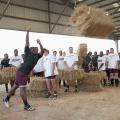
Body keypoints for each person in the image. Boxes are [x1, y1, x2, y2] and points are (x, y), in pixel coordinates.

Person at [3, 30, 44, 111]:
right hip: (22, 73)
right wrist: (28, 32)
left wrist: (39, 43)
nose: (34, 49)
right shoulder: (28, 53)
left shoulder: (37, 56)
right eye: (32, 48)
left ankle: (6, 98)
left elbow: (42, 51)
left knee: (14, 87)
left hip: (21, 73)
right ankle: (26, 105)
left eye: (35, 49)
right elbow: (27, 42)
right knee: (23, 90)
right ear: (30, 50)